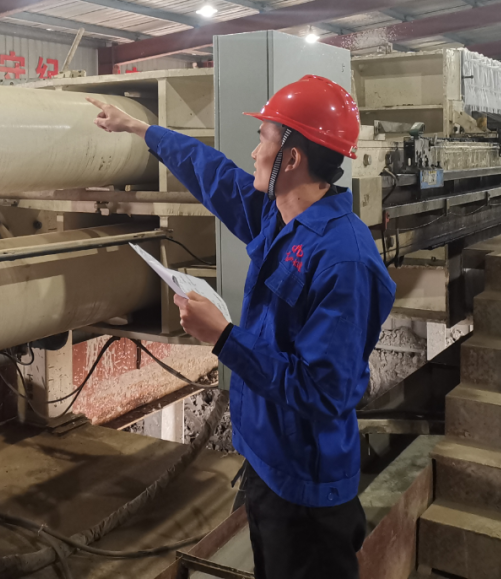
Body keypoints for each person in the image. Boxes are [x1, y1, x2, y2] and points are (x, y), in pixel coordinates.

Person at [88, 75, 396, 579]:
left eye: (263, 140)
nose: (254, 153)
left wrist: (223, 337)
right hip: (265, 459)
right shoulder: (279, 216)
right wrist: (140, 129)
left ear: (291, 158)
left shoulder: (344, 260)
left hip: (304, 487)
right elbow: (212, 174)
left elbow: (324, 392)